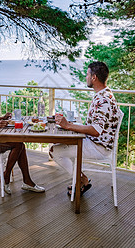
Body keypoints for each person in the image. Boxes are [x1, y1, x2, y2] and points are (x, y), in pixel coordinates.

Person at [49, 61, 120, 195]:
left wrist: (68, 125)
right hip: (97, 142)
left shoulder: (103, 100)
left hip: (98, 147)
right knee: (60, 144)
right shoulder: (105, 94)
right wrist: (69, 125)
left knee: (54, 150)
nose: (85, 77)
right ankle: (81, 179)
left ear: (94, 77)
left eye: (87, 74)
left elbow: (96, 131)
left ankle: (81, 180)